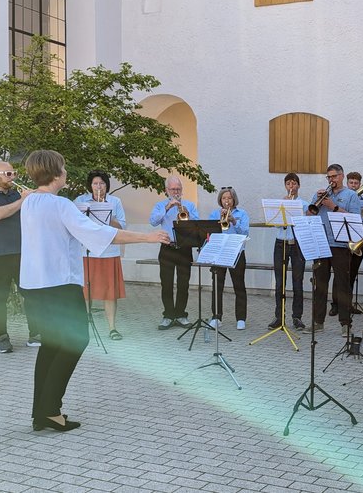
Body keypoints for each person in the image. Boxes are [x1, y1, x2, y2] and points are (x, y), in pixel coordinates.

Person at [19, 150, 169, 432]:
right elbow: (100, 234)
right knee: (76, 341)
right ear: (55, 174)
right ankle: (50, 410)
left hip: (34, 285)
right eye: (63, 167)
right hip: (58, 285)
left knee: (52, 345)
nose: (66, 171)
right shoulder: (61, 205)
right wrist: (147, 236)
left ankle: (41, 413)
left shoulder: (29, 202)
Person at [0, 161, 40, 353]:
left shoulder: (14, 194)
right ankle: (2, 337)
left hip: (22, 252)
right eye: (8, 174)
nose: (13, 177)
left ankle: (35, 333)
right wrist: (23, 200)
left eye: (14, 173)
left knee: (32, 294)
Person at [304, 164, 362, 336]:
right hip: (321, 243)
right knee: (319, 284)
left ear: (341, 176)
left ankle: (345, 323)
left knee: (343, 285)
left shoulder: (351, 195)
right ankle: (317, 322)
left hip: (341, 245)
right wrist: (316, 203)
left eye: (334, 177)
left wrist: (332, 206)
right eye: (328, 177)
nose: (331, 180)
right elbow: (308, 216)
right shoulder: (320, 194)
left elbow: (354, 219)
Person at [74, 170, 128, 340]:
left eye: (102, 183)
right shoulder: (81, 201)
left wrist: (107, 213)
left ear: (107, 185)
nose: (99, 186)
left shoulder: (115, 201)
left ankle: (112, 328)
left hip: (108, 252)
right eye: (95, 184)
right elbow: (74, 223)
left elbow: (122, 226)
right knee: (85, 292)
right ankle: (82, 328)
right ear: (90, 186)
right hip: (86, 252)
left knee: (109, 292)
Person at [149, 176, 199, 330]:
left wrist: (186, 213)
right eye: (173, 189)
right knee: (167, 284)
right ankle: (168, 315)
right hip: (167, 247)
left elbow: (197, 224)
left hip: (184, 248)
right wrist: (168, 208)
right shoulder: (160, 205)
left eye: (178, 189)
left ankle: (181, 315)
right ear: (167, 191)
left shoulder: (189, 205)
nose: (176, 192)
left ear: (181, 190)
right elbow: (153, 221)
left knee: (184, 284)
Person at [208, 187, 249, 330]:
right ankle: (216, 317)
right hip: (219, 253)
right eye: (224, 198)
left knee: (239, 286)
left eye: (229, 198)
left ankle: (241, 318)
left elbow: (245, 232)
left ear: (234, 200)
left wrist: (234, 222)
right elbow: (209, 233)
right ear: (220, 200)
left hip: (236, 252)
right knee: (217, 286)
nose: (227, 201)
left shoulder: (242, 214)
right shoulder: (214, 214)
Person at [269, 173, 306, 330]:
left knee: (298, 282)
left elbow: (304, 224)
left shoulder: (304, 204)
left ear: (298, 185)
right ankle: (279, 316)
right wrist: (282, 207)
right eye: (288, 184)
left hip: (296, 244)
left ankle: (297, 317)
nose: (291, 187)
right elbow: (276, 224)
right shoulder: (280, 203)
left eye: (294, 183)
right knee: (279, 282)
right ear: (285, 186)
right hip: (281, 243)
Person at [345, 171, 363, 315]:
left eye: (356, 183)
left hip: (359, 239)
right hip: (345, 239)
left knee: (352, 273)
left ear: (360, 184)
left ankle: (349, 304)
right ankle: (336, 304)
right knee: (343, 274)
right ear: (347, 183)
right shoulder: (343, 198)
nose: (354, 186)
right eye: (351, 183)